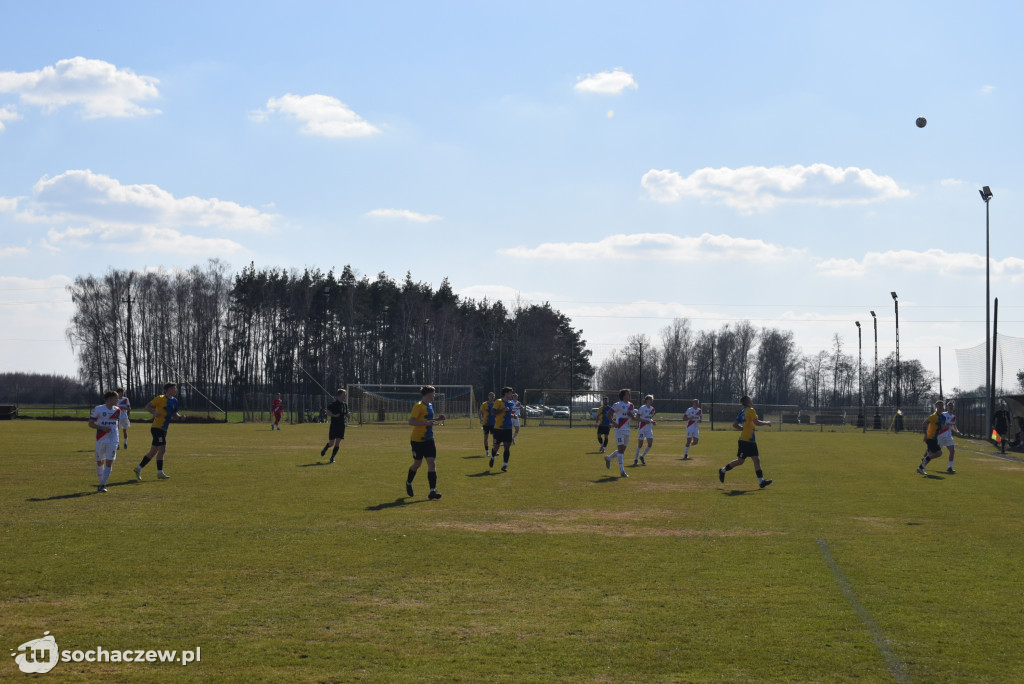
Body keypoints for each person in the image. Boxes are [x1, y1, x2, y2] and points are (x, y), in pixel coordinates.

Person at [719, 395, 772, 489]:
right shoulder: (750, 410)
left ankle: (761, 482)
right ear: (748, 401)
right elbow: (756, 422)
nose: (751, 400)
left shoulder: (743, 411)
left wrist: (742, 428)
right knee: (740, 461)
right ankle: (722, 470)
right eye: (750, 399)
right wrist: (767, 423)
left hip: (750, 441)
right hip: (745, 441)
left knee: (756, 460)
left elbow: (735, 425)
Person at [134, 382, 183, 480]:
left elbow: (174, 414)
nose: (175, 390)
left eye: (175, 388)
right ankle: (159, 472)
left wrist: (181, 417)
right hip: (157, 428)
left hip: (164, 429)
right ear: (168, 389)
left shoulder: (175, 401)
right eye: (174, 388)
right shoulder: (160, 398)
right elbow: (147, 406)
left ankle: (138, 468)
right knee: (162, 449)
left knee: (153, 452)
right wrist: (154, 412)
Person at [405, 385, 445, 500]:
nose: (434, 395)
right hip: (417, 440)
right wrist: (426, 424)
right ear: (428, 394)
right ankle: (408, 482)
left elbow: (427, 421)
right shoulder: (418, 406)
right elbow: (411, 422)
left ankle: (432, 491)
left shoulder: (430, 405)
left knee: (432, 463)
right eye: (433, 393)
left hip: (429, 439)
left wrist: (438, 419)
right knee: (417, 464)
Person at [89, 390, 122, 493]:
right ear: (109, 399)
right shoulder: (99, 409)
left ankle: (102, 484)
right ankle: (100, 482)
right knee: (100, 461)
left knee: (109, 461)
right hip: (101, 438)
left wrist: (118, 439)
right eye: (116, 398)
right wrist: (102, 428)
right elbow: (91, 423)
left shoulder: (117, 410)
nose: (117, 400)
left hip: (113, 439)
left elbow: (117, 425)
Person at [604, 388, 636, 478]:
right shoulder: (618, 404)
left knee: (622, 451)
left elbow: (633, 418)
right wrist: (613, 422)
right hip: (619, 430)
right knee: (621, 450)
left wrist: (632, 415)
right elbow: (608, 414)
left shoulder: (631, 405)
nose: (629, 395)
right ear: (623, 396)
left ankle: (608, 458)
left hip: (627, 430)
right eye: (628, 394)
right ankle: (622, 471)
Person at [917, 399, 946, 476]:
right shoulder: (933, 416)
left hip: (935, 438)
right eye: (939, 405)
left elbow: (942, 427)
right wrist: (925, 434)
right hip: (930, 438)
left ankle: (920, 468)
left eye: (942, 405)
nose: (940, 406)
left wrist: (944, 427)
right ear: (936, 406)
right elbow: (924, 423)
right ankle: (924, 461)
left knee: (930, 454)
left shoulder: (943, 417)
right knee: (939, 453)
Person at [489, 386, 515, 472]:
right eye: (510, 393)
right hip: (498, 428)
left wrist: (513, 416)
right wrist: (503, 410)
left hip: (508, 428)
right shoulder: (498, 401)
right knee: (496, 447)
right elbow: (493, 413)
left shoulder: (511, 403)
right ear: (506, 393)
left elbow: (508, 414)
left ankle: (504, 465)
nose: (512, 394)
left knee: (507, 447)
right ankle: (492, 457)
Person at [321, 389, 349, 463]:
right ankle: (325, 448)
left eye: (345, 394)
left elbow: (346, 413)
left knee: (337, 443)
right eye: (344, 394)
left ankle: (332, 458)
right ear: (339, 395)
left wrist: (347, 415)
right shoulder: (333, 404)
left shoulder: (345, 405)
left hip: (341, 426)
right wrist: (334, 415)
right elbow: (327, 413)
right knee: (331, 443)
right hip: (334, 426)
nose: (345, 396)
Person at [937, 400, 961, 474]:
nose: (950, 407)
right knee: (935, 452)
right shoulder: (943, 415)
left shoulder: (954, 417)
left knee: (952, 451)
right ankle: (925, 459)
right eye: (949, 406)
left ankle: (950, 467)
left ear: (953, 408)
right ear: (947, 407)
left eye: (952, 406)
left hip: (949, 437)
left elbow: (953, 426)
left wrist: (957, 431)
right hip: (941, 436)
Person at [634, 394, 656, 465]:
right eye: (649, 399)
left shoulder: (652, 409)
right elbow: (637, 418)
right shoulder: (642, 408)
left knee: (650, 443)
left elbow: (649, 418)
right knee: (640, 444)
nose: (651, 401)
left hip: (649, 428)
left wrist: (652, 421)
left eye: (651, 400)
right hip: (642, 428)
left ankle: (642, 456)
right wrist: (644, 421)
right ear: (646, 400)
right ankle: (636, 459)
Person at [479, 392, 496, 458]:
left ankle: (494, 450)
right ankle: (487, 451)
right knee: (486, 438)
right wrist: (480, 419)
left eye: (493, 396)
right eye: (491, 396)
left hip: (493, 423)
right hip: (485, 424)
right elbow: (480, 412)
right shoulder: (484, 404)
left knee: (495, 437)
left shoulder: (495, 404)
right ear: (488, 397)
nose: (492, 397)